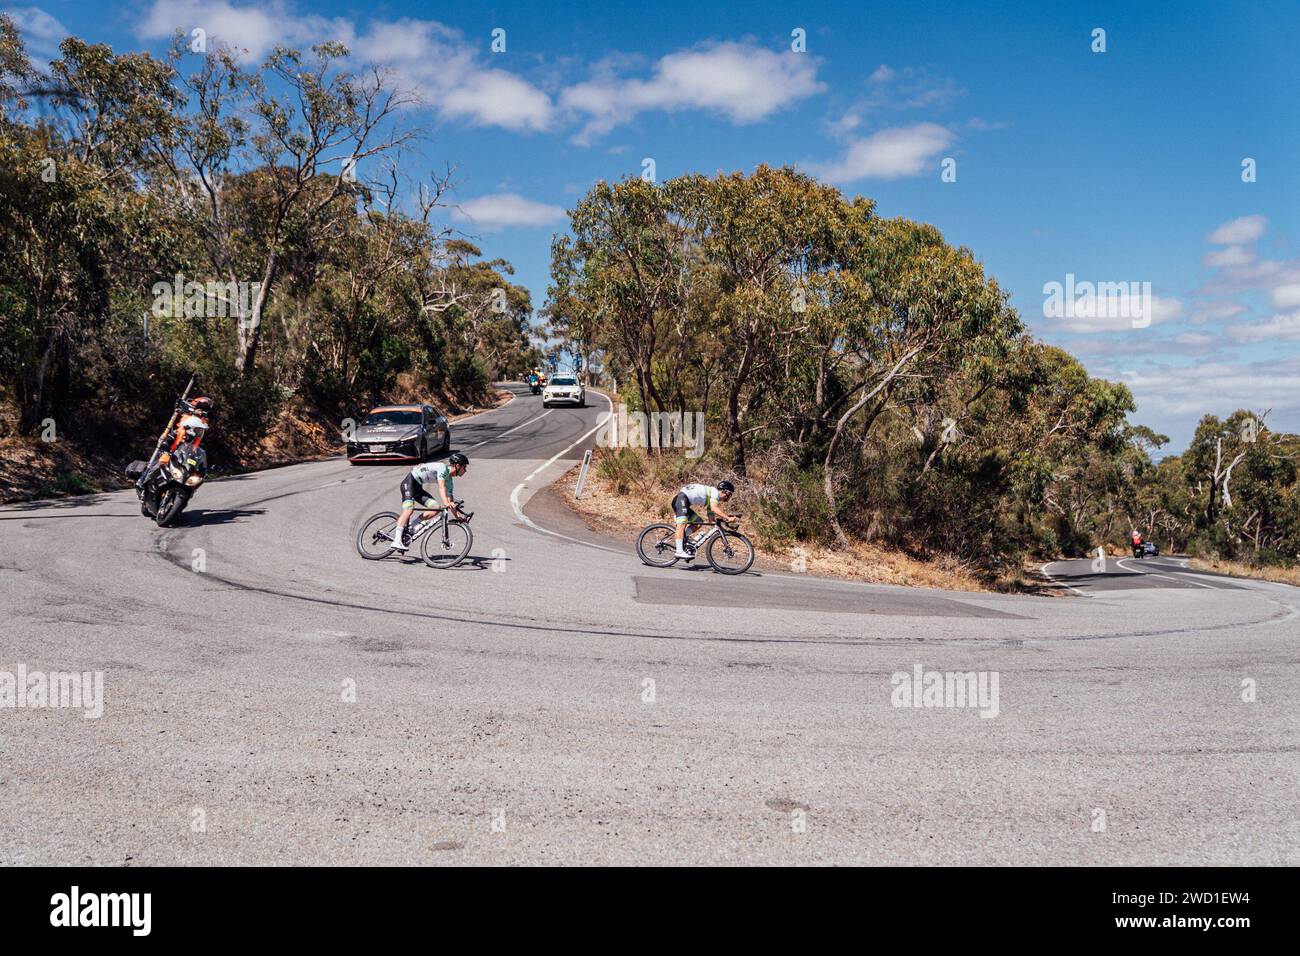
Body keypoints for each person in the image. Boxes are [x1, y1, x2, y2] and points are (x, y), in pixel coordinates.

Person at [390, 452, 469, 551]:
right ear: (458, 465)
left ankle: (411, 527)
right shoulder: (442, 468)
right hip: (409, 483)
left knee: (436, 508)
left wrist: (460, 517)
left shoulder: (449, 481)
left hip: (418, 488)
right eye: (464, 467)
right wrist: (447, 503)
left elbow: (450, 503)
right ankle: (396, 541)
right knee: (409, 510)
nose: (465, 470)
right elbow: (441, 487)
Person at [672, 479, 739, 558]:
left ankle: (684, 537)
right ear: (725, 492)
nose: (728, 498)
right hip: (682, 499)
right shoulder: (715, 493)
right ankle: (679, 551)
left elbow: (710, 510)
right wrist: (728, 518)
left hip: (684, 501)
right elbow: (714, 508)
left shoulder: (712, 495)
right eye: (729, 495)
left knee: (699, 522)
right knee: (682, 524)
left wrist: (713, 520)